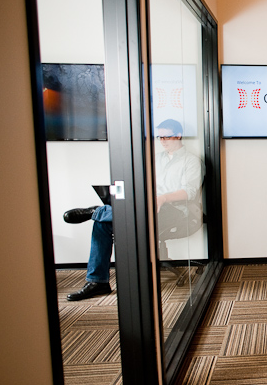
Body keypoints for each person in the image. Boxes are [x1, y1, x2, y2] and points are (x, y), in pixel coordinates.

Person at [64, 119, 202, 301]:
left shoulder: (191, 161)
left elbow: (189, 192)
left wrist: (162, 198)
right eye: (159, 137)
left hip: (175, 210)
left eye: (166, 136)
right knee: (102, 224)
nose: (162, 141)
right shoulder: (155, 159)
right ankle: (97, 282)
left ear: (178, 135)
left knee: (104, 216)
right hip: (148, 208)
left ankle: (96, 211)